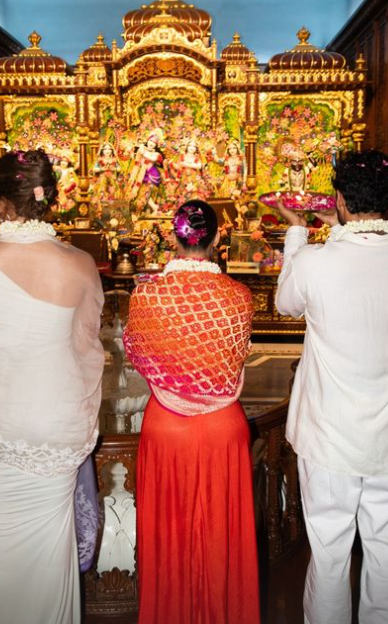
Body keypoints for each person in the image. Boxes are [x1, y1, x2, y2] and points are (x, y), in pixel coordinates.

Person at [0, 149, 104, 624]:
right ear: (47, 199)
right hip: (55, 422)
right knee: (54, 538)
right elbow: (86, 349)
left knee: (6, 535)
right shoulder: (80, 264)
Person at [123, 200, 260, 624]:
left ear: (174, 238)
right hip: (223, 427)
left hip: (167, 426)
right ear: (218, 238)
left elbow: (136, 354)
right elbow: (234, 360)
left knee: (170, 539)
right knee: (222, 538)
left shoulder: (145, 294)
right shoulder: (239, 298)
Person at [275, 149, 388, 624]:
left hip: (329, 435)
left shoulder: (315, 262)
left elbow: (285, 305)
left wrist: (300, 228)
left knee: (329, 553)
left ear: (339, 200)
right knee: (384, 553)